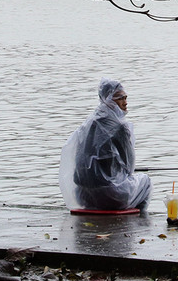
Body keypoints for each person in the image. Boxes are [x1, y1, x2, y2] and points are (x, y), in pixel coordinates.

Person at [59, 78, 152, 211]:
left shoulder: (88, 123)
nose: (125, 103)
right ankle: (140, 220)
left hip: (82, 195)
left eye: (126, 98)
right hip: (111, 197)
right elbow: (129, 168)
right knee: (145, 181)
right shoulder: (121, 127)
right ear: (108, 99)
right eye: (120, 98)